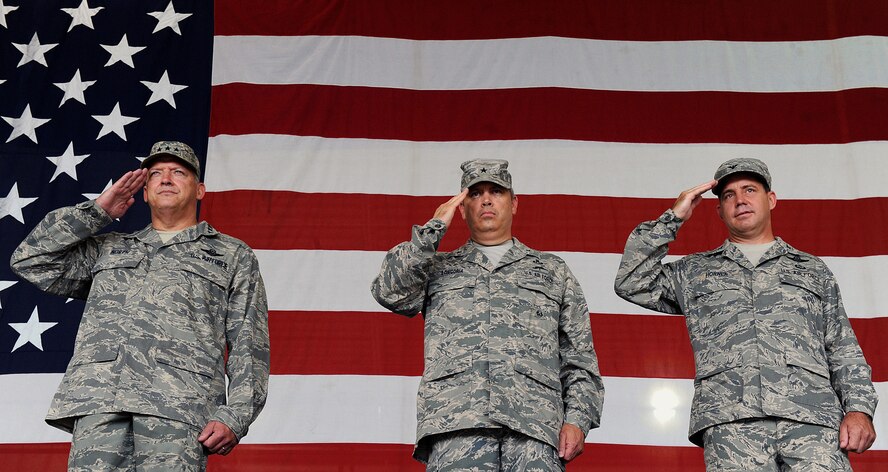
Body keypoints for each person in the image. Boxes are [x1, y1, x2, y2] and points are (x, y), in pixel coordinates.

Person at [11, 141, 270, 471]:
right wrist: (98, 211)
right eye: (156, 174)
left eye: (178, 172)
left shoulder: (232, 256)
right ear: (144, 192)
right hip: (100, 405)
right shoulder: (109, 249)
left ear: (200, 189)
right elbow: (31, 259)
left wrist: (236, 414)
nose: (165, 179)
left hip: (178, 409)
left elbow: (250, 344)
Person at [614, 158, 877, 470]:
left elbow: (842, 346)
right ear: (720, 210)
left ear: (771, 199)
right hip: (732, 425)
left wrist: (859, 409)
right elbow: (631, 281)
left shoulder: (812, 270)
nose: (740, 200)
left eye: (750, 189)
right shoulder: (695, 271)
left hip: (813, 421)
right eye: (728, 195)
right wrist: (674, 217)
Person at [371, 159, 604, 470]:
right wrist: (431, 231)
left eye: (496, 191)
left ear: (514, 203)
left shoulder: (552, 271)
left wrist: (577, 420)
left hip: (534, 429)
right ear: (463, 207)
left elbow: (579, 356)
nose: (486, 199)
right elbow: (390, 292)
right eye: (475, 193)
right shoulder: (437, 267)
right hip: (456, 427)